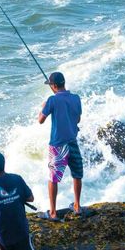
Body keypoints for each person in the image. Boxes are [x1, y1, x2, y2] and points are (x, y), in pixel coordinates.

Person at [38, 71, 83, 220]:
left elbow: (40, 120)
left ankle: (53, 213)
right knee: (77, 174)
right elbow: (77, 119)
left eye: (51, 85)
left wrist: (44, 106)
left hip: (58, 145)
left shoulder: (52, 100)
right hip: (72, 142)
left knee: (54, 178)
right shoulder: (76, 98)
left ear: (54, 86)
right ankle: (77, 206)